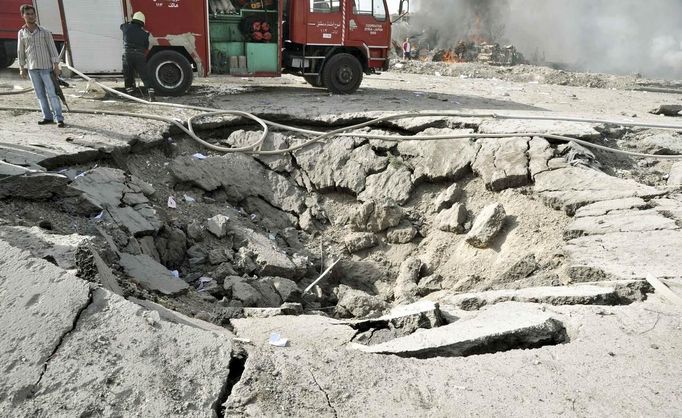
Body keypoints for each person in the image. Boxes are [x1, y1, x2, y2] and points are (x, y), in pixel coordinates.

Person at [17, 4, 65, 127]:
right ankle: (47, 117)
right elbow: (21, 52)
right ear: (23, 16)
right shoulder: (21, 33)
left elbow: (53, 50)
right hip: (33, 69)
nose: (31, 16)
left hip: (46, 68)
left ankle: (59, 118)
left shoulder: (44, 32)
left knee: (52, 94)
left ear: (35, 15)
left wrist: (56, 66)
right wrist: (22, 68)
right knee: (40, 94)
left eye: (32, 14)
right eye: (28, 14)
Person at [120, 11, 154, 100]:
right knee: (144, 75)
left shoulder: (126, 27)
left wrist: (129, 22)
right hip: (140, 55)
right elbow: (146, 47)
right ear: (142, 22)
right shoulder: (145, 34)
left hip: (128, 54)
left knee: (128, 75)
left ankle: (130, 94)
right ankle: (151, 94)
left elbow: (121, 26)